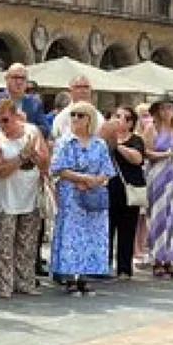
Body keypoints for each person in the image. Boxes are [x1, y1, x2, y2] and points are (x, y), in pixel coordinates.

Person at [49, 101, 115, 295]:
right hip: (71, 194)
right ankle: (70, 276)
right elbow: (57, 168)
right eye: (73, 115)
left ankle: (85, 276)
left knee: (92, 234)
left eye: (80, 115)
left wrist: (94, 181)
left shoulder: (99, 144)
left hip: (93, 193)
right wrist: (81, 178)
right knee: (71, 234)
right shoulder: (65, 141)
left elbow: (107, 169)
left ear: (89, 119)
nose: (75, 119)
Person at [0, 100, 48, 298]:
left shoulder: (32, 131)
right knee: (5, 244)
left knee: (27, 243)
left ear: (15, 116)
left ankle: (25, 282)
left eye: (5, 120)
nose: (1, 125)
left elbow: (45, 162)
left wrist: (34, 154)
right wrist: (21, 157)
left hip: (30, 196)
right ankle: (4, 283)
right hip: (7, 199)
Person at [143, 93, 173, 278]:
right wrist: (164, 154)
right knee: (158, 216)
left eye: (169, 108)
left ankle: (170, 258)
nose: (166, 111)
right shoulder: (151, 128)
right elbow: (146, 152)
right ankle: (157, 259)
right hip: (158, 176)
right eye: (162, 108)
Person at [102, 106, 145, 279]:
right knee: (107, 228)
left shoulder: (136, 140)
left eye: (126, 118)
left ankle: (124, 268)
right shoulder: (103, 139)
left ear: (132, 123)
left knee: (127, 229)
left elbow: (137, 158)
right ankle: (104, 266)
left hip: (129, 189)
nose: (121, 120)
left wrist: (118, 146)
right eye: (117, 116)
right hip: (109, 188)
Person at [0, 63, 48, 137]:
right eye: (15, 77)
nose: (19, 82)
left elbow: (45, 130)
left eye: (23, 78)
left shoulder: (35, 103)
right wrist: (13, 126)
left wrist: (26, 125)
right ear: (6, 79)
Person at [51, 76, 105, 141]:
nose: (83, 91)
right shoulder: (62, 117)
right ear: (70, 91)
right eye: (78, 87)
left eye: (86, 87)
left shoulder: (99, 117)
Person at [133, 102, 153, 268]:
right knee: (136, 215)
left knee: (145, 216)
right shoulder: (134, 136)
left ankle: (143, 246)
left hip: (150, 178)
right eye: (144, 115)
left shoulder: (154, 132)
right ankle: (135, 249)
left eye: (149, 115)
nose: (148, 119)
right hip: (137, 179)